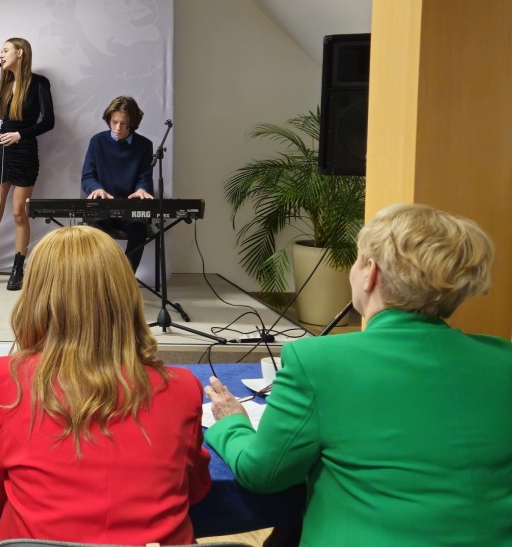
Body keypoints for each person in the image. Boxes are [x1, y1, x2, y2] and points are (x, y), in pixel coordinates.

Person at [205, 203, 512, 545]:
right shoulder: (504, 359)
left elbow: (262, 473)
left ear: (371, 273)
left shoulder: (316, 361)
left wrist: (231, 423)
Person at [0, 225, 211, 544]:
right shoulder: (182, 388)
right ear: (126, 295)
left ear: (36, 298)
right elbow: (196, 489)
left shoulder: (5, 379)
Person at [0, 38, 55, 291]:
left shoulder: (39, 83)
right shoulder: (3, 83)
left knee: (19, 213)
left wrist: (21, 134)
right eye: (1, 51)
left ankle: (18, 269)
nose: (1, 54)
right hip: (2, 152)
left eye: (5, 50)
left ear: (20, 53)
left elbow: (48, 121)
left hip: (25, 151)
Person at [81, 95, 154, 272]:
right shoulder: (97, 142)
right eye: (114, 122)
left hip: (129, 207)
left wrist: (142, 190)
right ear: (109, 120)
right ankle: (99, 278)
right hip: (102, 206)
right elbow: (88, 176)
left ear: (132, 124)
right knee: (94, 231)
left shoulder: (144, 145)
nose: (118, 128)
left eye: (123, 123)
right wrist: (97, 188)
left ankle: (124, 278)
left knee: (139, 228)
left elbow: (144, 178)